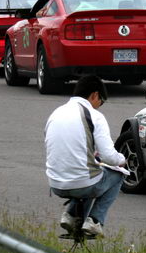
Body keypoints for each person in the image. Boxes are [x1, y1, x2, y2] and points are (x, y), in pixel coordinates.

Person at [44, 75, 126, 237]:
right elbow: (109, 156)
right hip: (82, 182)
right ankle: (95, 220)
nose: (99, 106)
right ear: (94, 95)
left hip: (55, 182)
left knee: (88, 173)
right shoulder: (94, 116)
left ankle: (71, 216)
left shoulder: (56, 113)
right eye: (100, 101)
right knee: (117, 175)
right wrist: (122, 160)